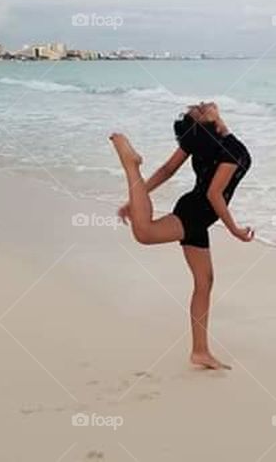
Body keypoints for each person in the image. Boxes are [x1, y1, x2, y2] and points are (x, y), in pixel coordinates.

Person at [110, 101, 253, 370]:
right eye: (200, 111)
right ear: (208, 123)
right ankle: (131, 166)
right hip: (195, 214)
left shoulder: (201, 142)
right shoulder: (232, 150)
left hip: (198, 216)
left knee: (204, 282)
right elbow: (213, 194)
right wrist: (234, 229)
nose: (204, 105)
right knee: (144, 233)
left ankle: (200, 351)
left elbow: (168, 170)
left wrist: (139, 196)